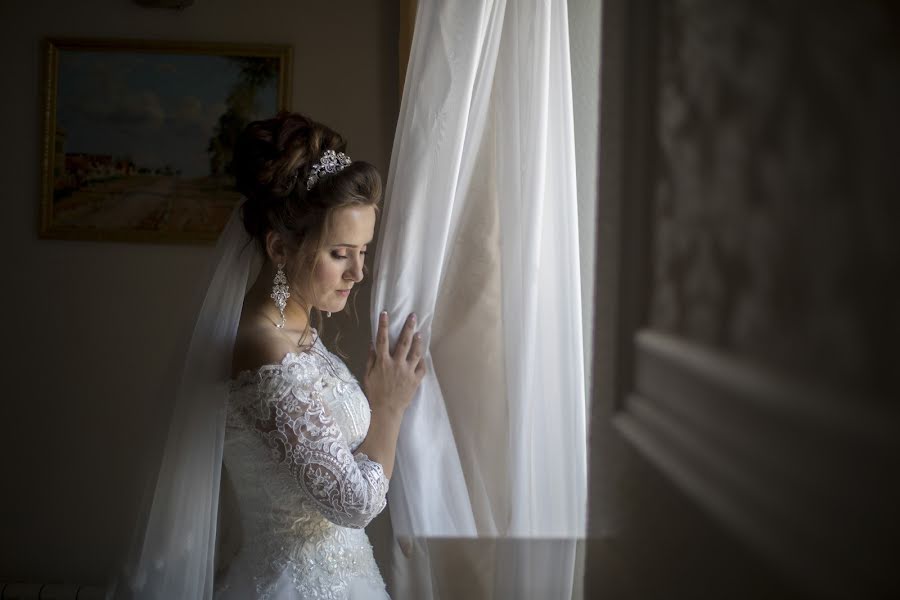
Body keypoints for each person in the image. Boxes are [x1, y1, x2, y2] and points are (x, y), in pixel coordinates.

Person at [210, 111, 425, 598]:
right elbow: (352, 503)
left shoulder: (297, 327)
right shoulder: (264, 347)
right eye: (340, 253)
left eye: (364, 251)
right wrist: (388, 408)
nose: (358, 273)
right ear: (280, 249)